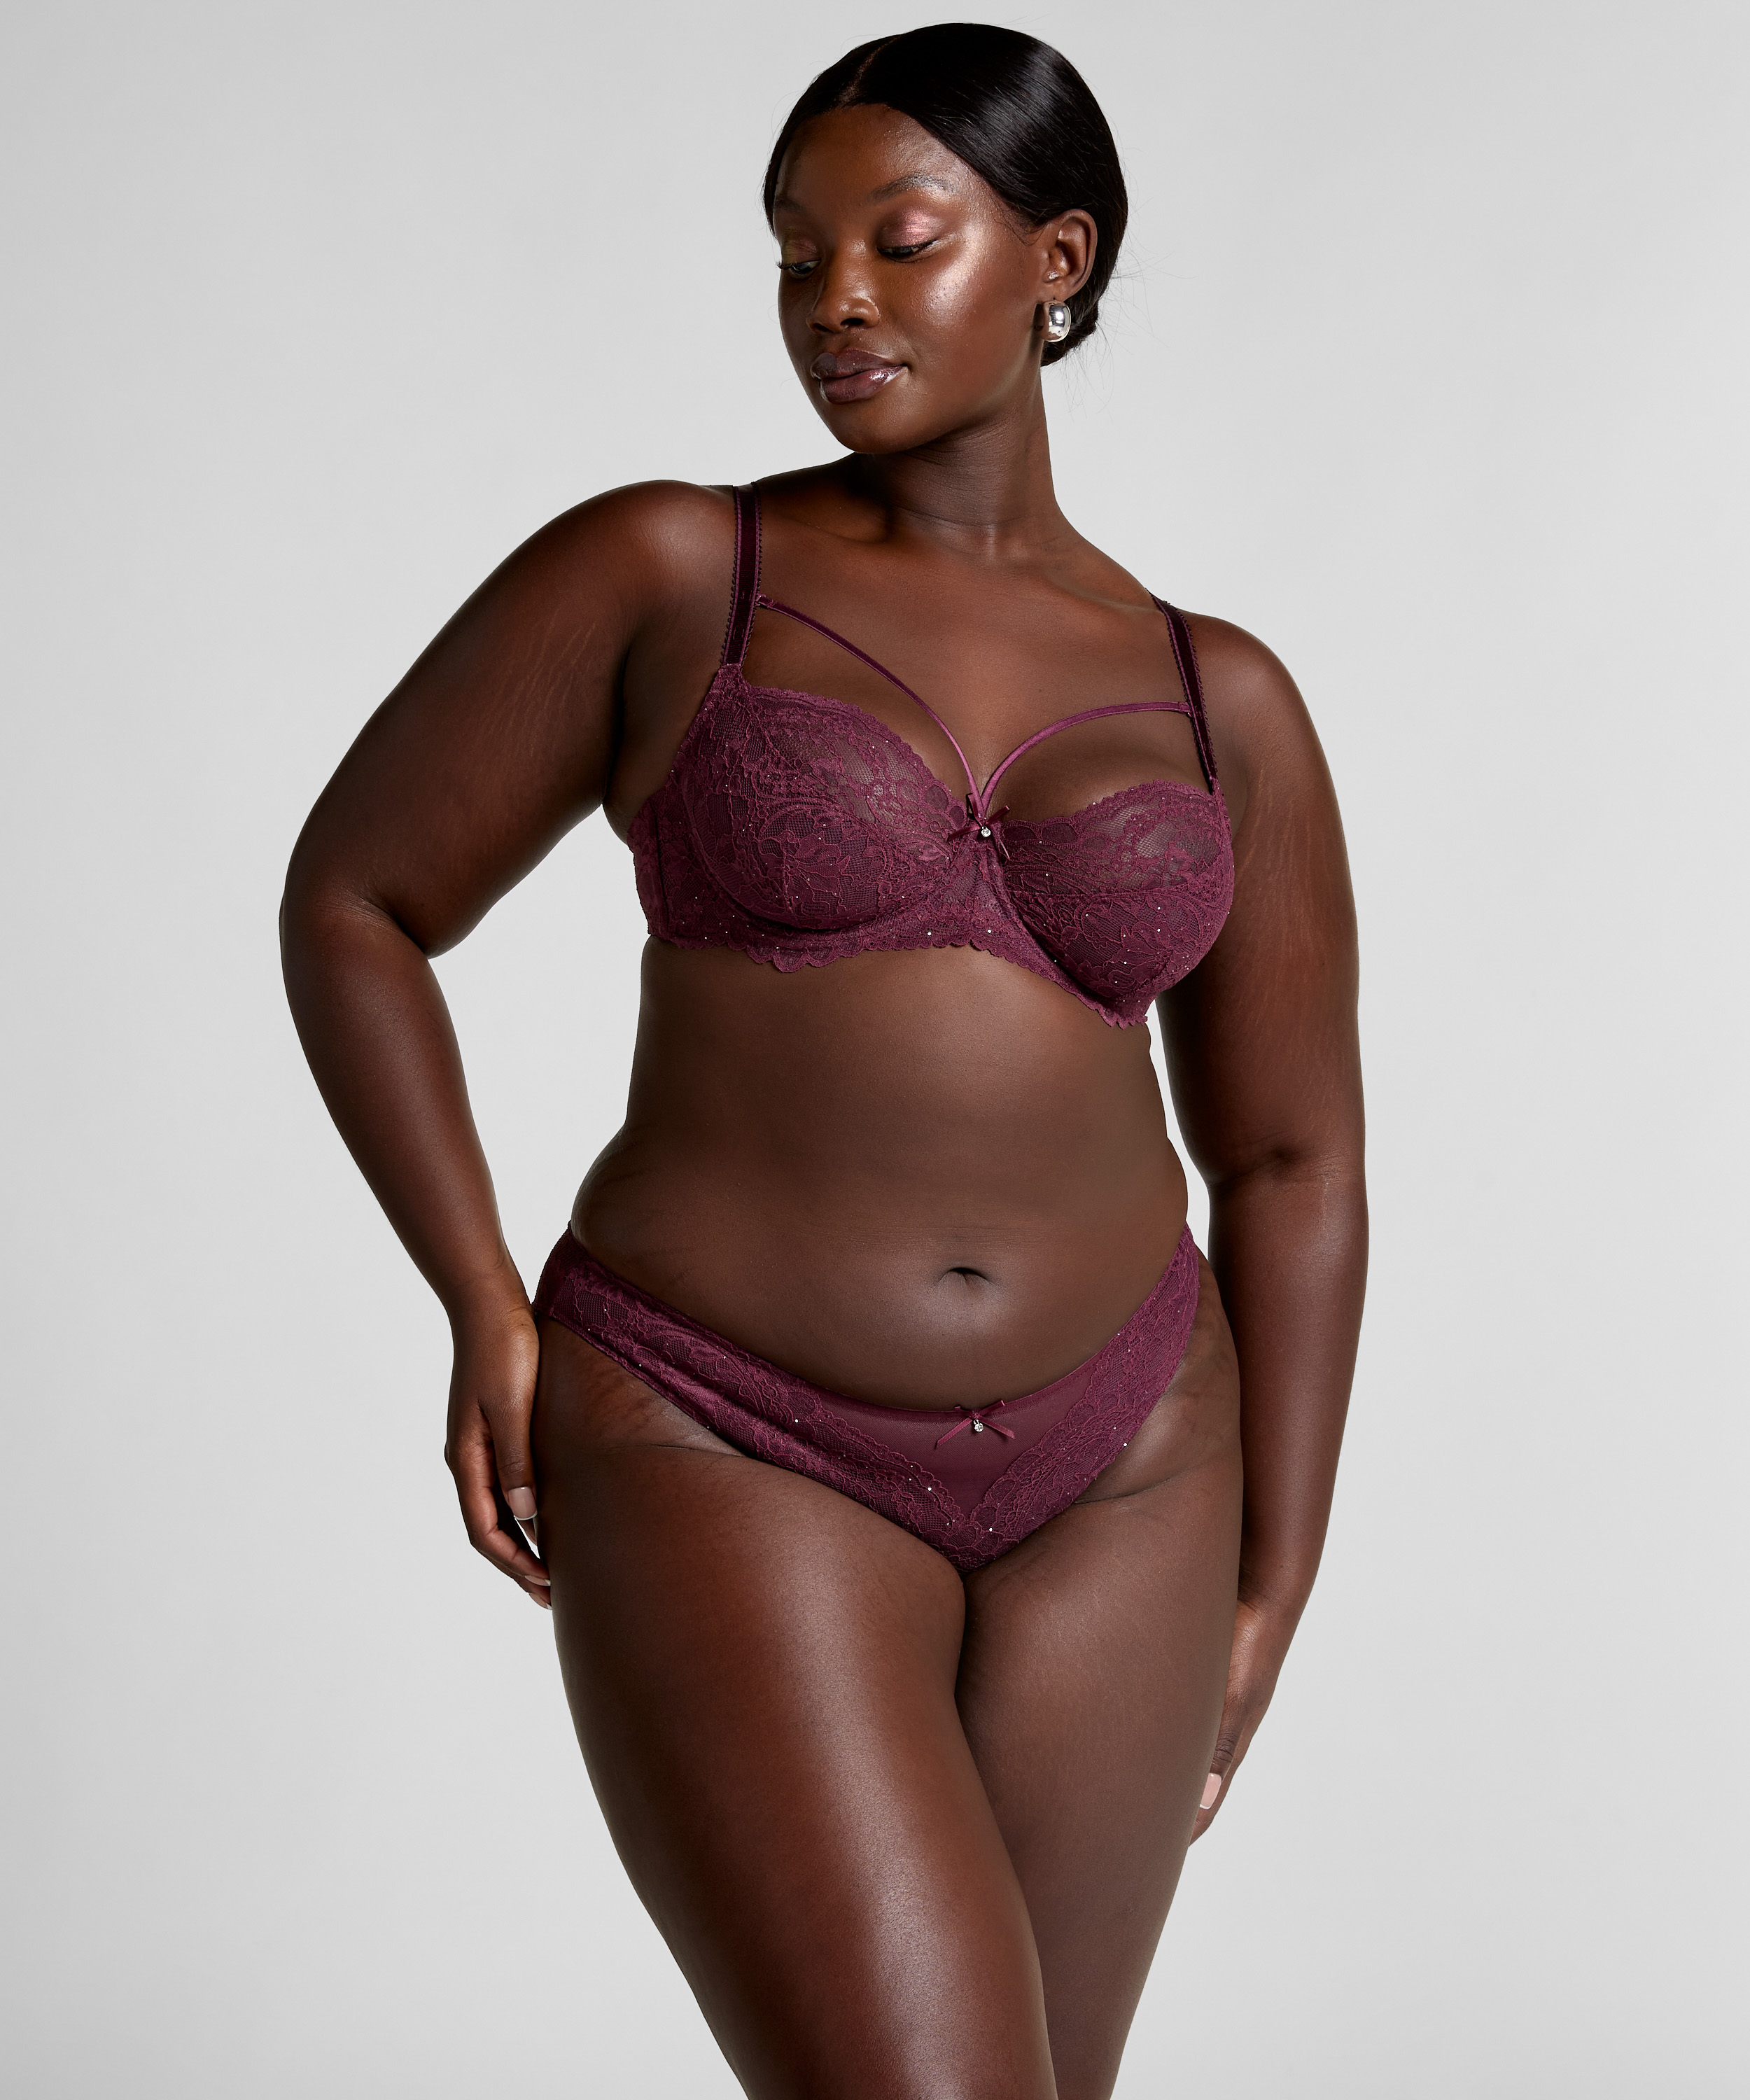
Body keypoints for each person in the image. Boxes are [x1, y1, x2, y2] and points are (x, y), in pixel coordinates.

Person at [281, 24, 1365, 2099]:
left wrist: (1276, 1573)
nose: (835, 300)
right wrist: (481, 1303)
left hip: (1131, 1466)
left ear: (1057, 261)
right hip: (723, 1428)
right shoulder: (677, 572)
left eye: (899, 241)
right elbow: (356, 903)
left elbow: (1294, 1159)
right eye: (796, 256)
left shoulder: (1218, 693)